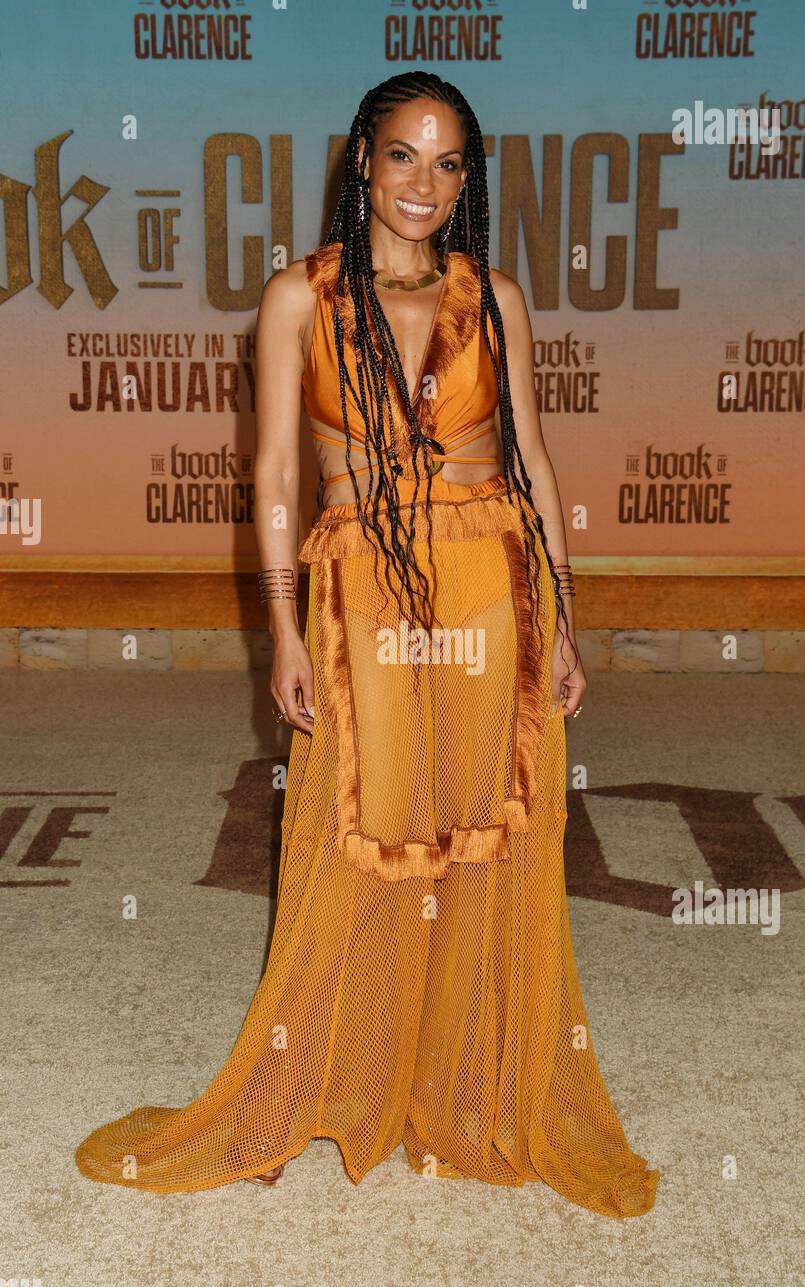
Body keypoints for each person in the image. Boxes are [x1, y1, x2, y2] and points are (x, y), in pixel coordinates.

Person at [75, 71, 660, 1220]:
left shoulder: (493, 295)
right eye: (403, 156)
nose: (423, 186)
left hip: (489, 582)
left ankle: (457, 1088)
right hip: (359, 596)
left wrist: (565, 612)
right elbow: (275, 474)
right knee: (354, 838)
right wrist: (283, 626)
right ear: (361, 158)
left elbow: (532, 462)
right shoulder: (299, 299)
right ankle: (310, 1086)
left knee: (477, 835)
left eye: (449, 165)